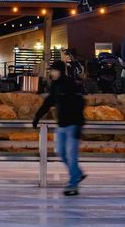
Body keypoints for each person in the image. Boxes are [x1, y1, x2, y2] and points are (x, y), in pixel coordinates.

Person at [32, 60, 87, 195]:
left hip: (73, 125)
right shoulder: (55, 85)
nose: (51, 73)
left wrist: (78, 125)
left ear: (60, 71)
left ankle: (73, 184)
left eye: (54, 70)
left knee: (71, 155)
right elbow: (48, 102)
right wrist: (37, 117)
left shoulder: (70, 84)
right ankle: (78, 173)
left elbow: (80, 102)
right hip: (61, 125)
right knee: (62, 153)